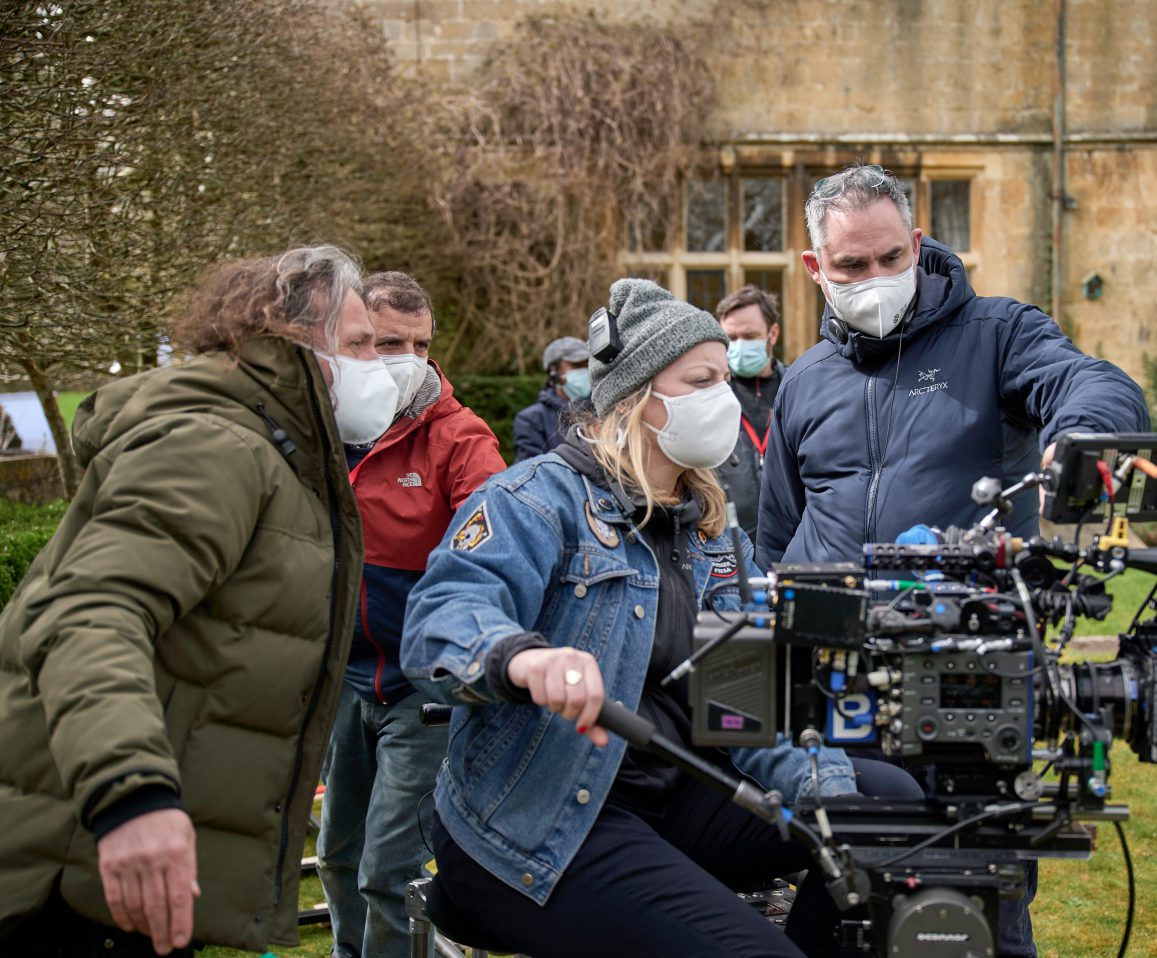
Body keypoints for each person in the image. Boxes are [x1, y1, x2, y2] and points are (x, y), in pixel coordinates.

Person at [400, 279, 889, 958]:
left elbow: (741, 711)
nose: (724, 397)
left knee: (881, 807)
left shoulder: (714, 534)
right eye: (701, 380)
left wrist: (823, 790)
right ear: (635, 398)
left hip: (669, 799)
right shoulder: (534, 500)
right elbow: (440, 620)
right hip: (539, 820)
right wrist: (523, 658)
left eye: (726, 378)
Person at [757, 164, 1151, 958]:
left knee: (974, 903)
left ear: (918, 243)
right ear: (814, 268)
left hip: (968, 675)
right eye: (851, 265)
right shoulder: (802, 381)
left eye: (890, 257)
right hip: (833, 678)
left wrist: (1081, 437)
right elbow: (778, 532)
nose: (874, 278)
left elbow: (1091, 384)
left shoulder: (997, 334)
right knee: (840, 890)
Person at [0, 246, 376, 956]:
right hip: (71, 868)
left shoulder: (278, 455)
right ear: (293, 342)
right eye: (358, 344)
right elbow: (89, 611)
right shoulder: (217, 446)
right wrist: (130, 793)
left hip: (123, 881)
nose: (378, 365)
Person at [317, 271, 506, 958]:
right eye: (388, 342)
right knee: (337, 858)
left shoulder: (459, 437)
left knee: (389, 873)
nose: (408, 359)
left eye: (421, 344)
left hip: (420, 688)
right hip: (344, 681)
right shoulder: (322, 428)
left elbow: (496, 545)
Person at [713, 285, 785, 544]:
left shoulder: (798, 388)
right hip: (728, 544)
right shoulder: (712, 396)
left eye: (750, 336)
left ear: (772, 334)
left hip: (789, 542)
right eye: (731, 337)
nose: (739, 345)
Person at [513, 335, 591, 459]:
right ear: (553, 372)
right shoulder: (531, 420)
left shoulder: (601, 410)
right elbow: (532, 467)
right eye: (576, 366)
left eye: (586, 365)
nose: (584, 371)